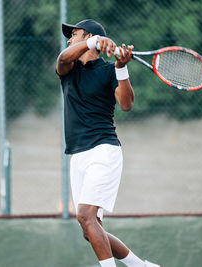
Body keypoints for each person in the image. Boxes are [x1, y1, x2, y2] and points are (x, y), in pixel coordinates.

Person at [56, 19, 161, 267]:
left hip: (103, 151)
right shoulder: (69, 69)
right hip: (77, 156)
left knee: (85, 216)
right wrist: (91, 42)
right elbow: (62, 58)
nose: (69, 40)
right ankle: (141, 266)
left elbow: (126, 104)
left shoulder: (108, 72)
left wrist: (121, 67)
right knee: (89, 229)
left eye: (74, 35)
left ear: (89, 34)